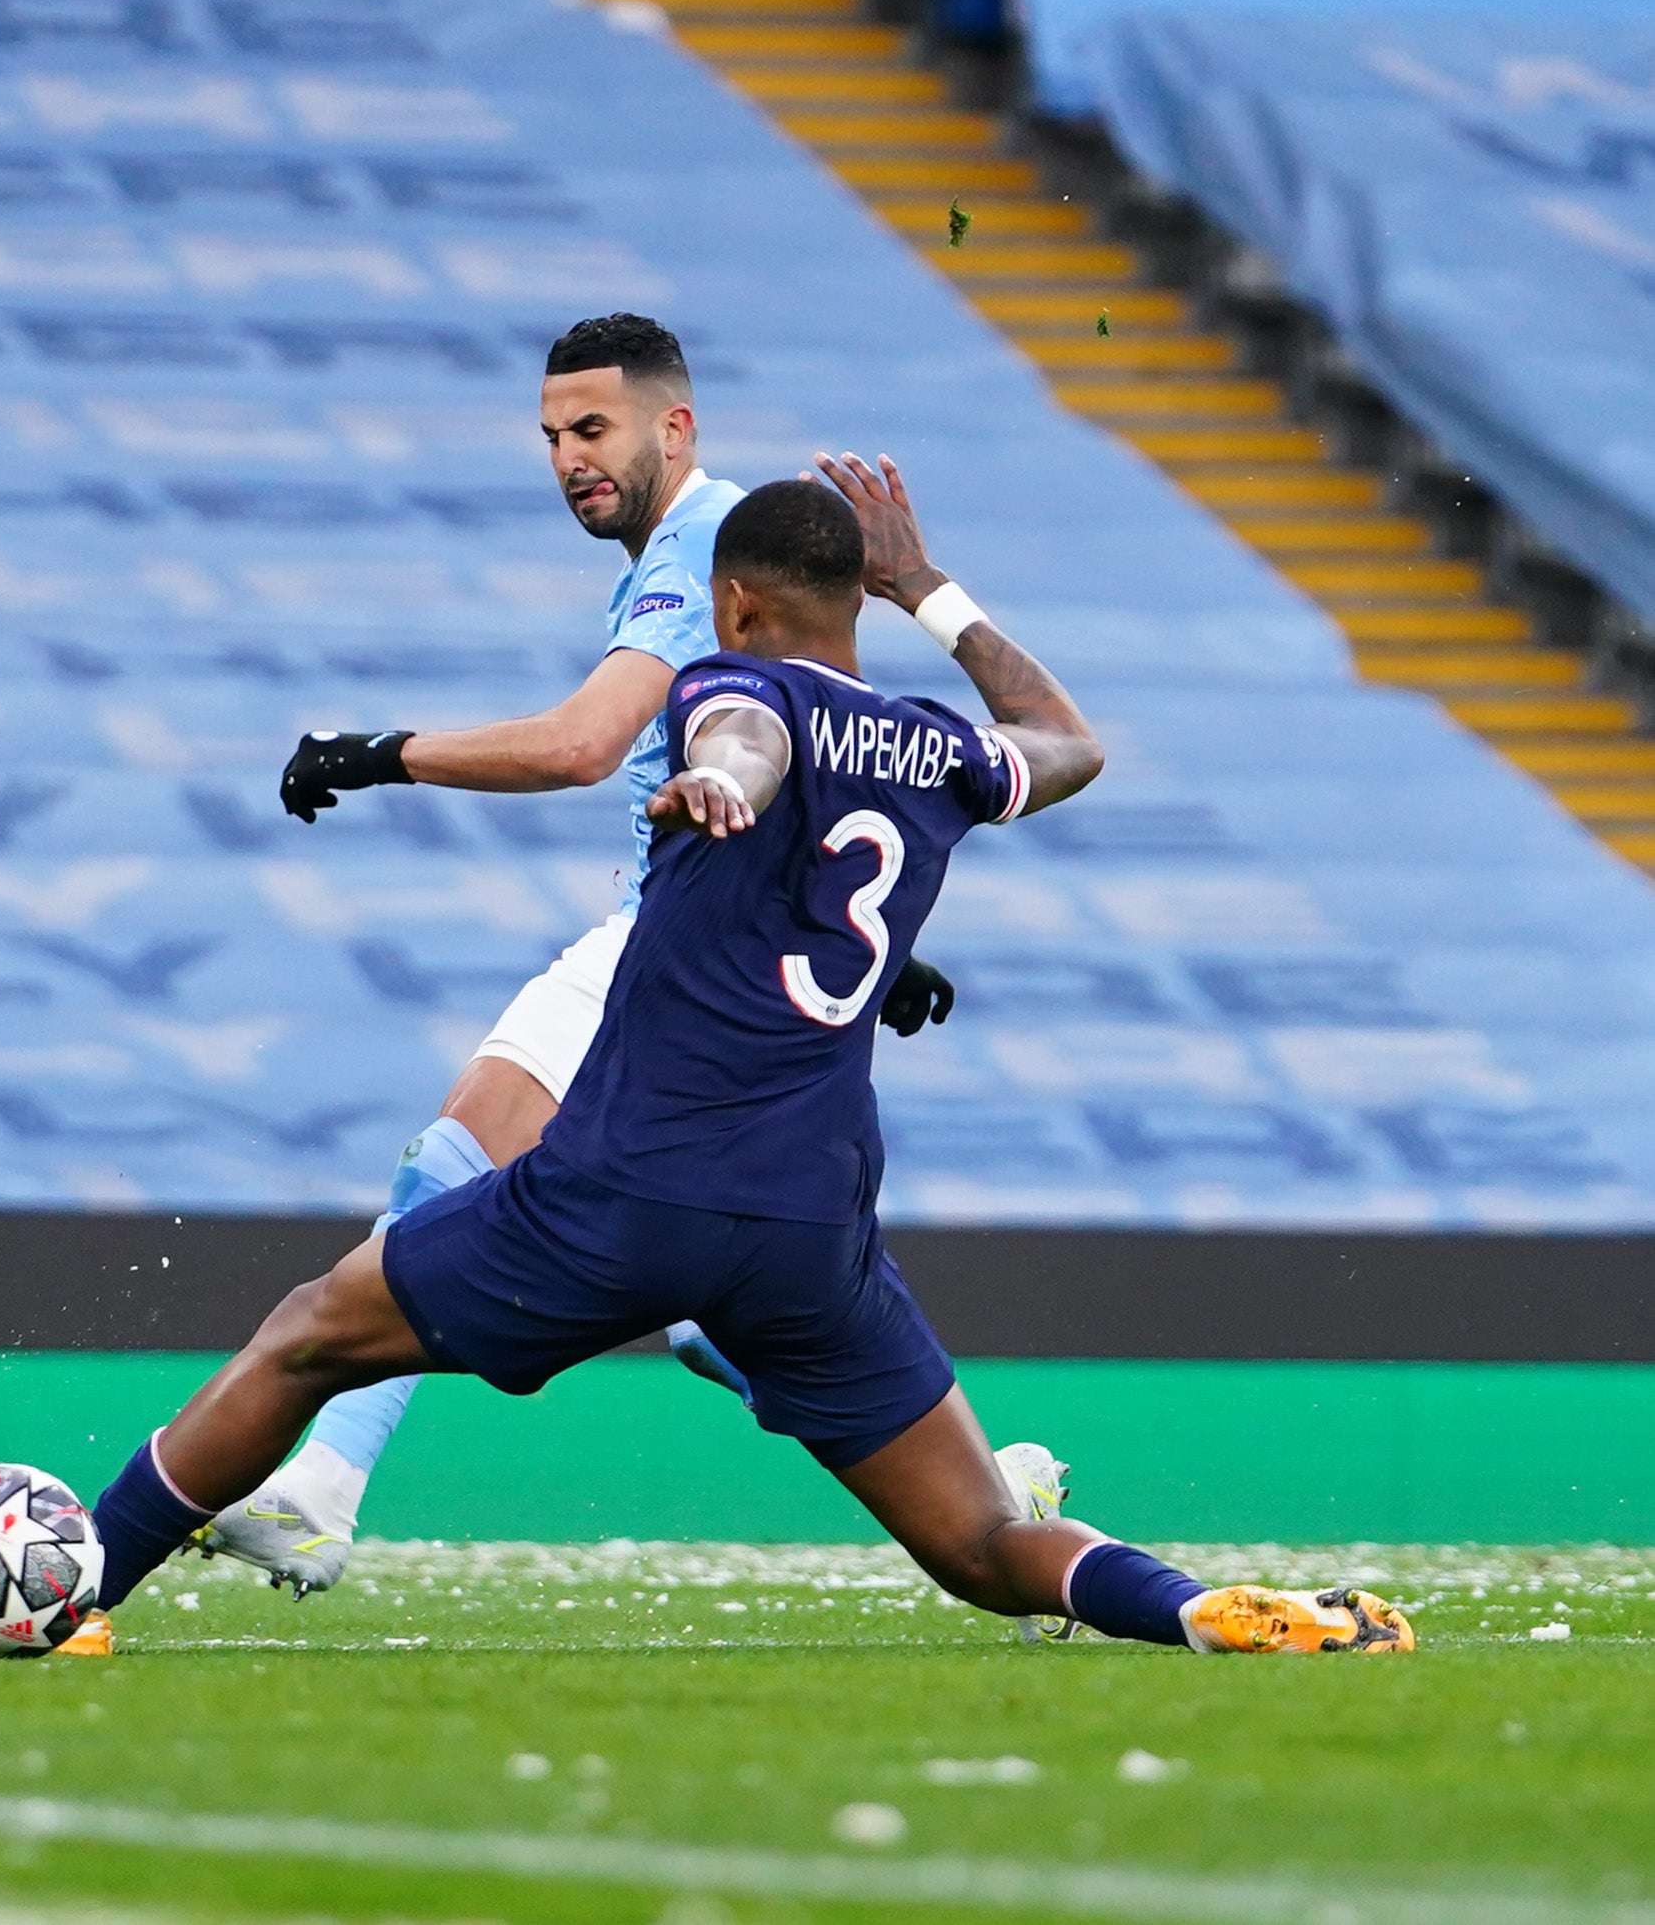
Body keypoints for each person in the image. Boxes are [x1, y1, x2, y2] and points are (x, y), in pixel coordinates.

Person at [85, 460, 1413, 1658]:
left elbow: (749, 738)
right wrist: (930, 591)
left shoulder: (736, 685)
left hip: (624, 1190)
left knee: (311, 1332)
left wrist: (722, 774)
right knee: (978, 1545)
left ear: (732, 602)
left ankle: (73, 1594)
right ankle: (1200, 1605)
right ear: (855, 593)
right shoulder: (936, 746)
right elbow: (1071, 741)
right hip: (805, 1231)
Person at [210, 313, 970, 1596]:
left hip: (658, 947)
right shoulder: (701, 556)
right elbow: (799, 765)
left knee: (460, 1154)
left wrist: (375, 751)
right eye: (553, 435)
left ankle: (317, 1484)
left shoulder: (702, 555)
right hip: (698, 937)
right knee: (700, 1294)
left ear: (674, 427)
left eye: (594, 428)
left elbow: (582, 744)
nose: (569, 457)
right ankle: (987, 1490)